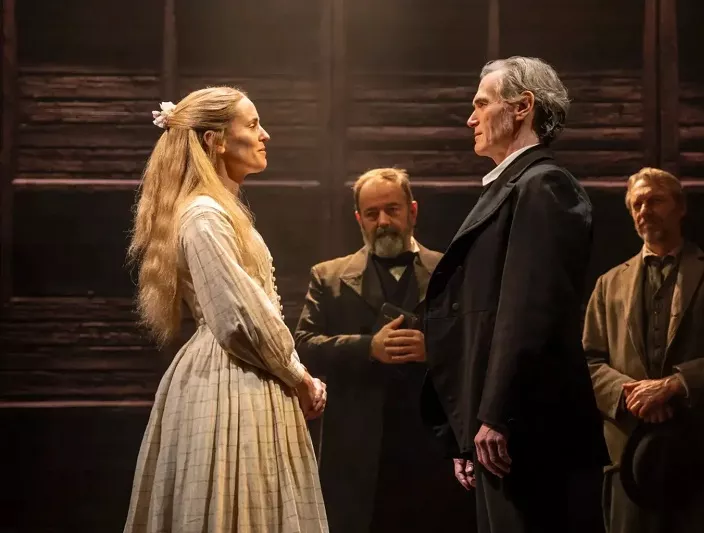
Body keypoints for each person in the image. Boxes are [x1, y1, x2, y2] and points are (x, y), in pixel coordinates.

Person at [124, 87, 328, 533]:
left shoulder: (215, 210)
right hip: (233, 377)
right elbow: (240, 319)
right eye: (253, 125)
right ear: (214, 140)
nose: (265, 135)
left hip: (244, 371)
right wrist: (299, 377)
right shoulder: (204, 215)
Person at [421, 56, 609, 533]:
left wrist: (496, 415)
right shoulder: (513, 186)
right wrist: (467, 431)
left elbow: (529, 311)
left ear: (522, 107)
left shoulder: (544, 185)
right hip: (502, 430)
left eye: (481, 104)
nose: (471, 119)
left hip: (528, 429)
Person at [294, 168, 474, 533]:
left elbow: (478, 341)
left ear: (412, 211)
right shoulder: (328, 276)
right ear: (359, 219)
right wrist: (367, 347)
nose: (383, 222)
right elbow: (303, 345)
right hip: (356, 452)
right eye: (372, 213)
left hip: (432, 448)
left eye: (392, 210)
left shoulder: (450, 271)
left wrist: (434, 349)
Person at [583, 167, 704, 532]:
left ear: (681, 207)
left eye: (655, 200)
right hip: (628, 454)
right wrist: (631, 394)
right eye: (637, 204)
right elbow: (589, 361)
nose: (644, 210)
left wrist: (673, 386)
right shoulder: (608, 283)